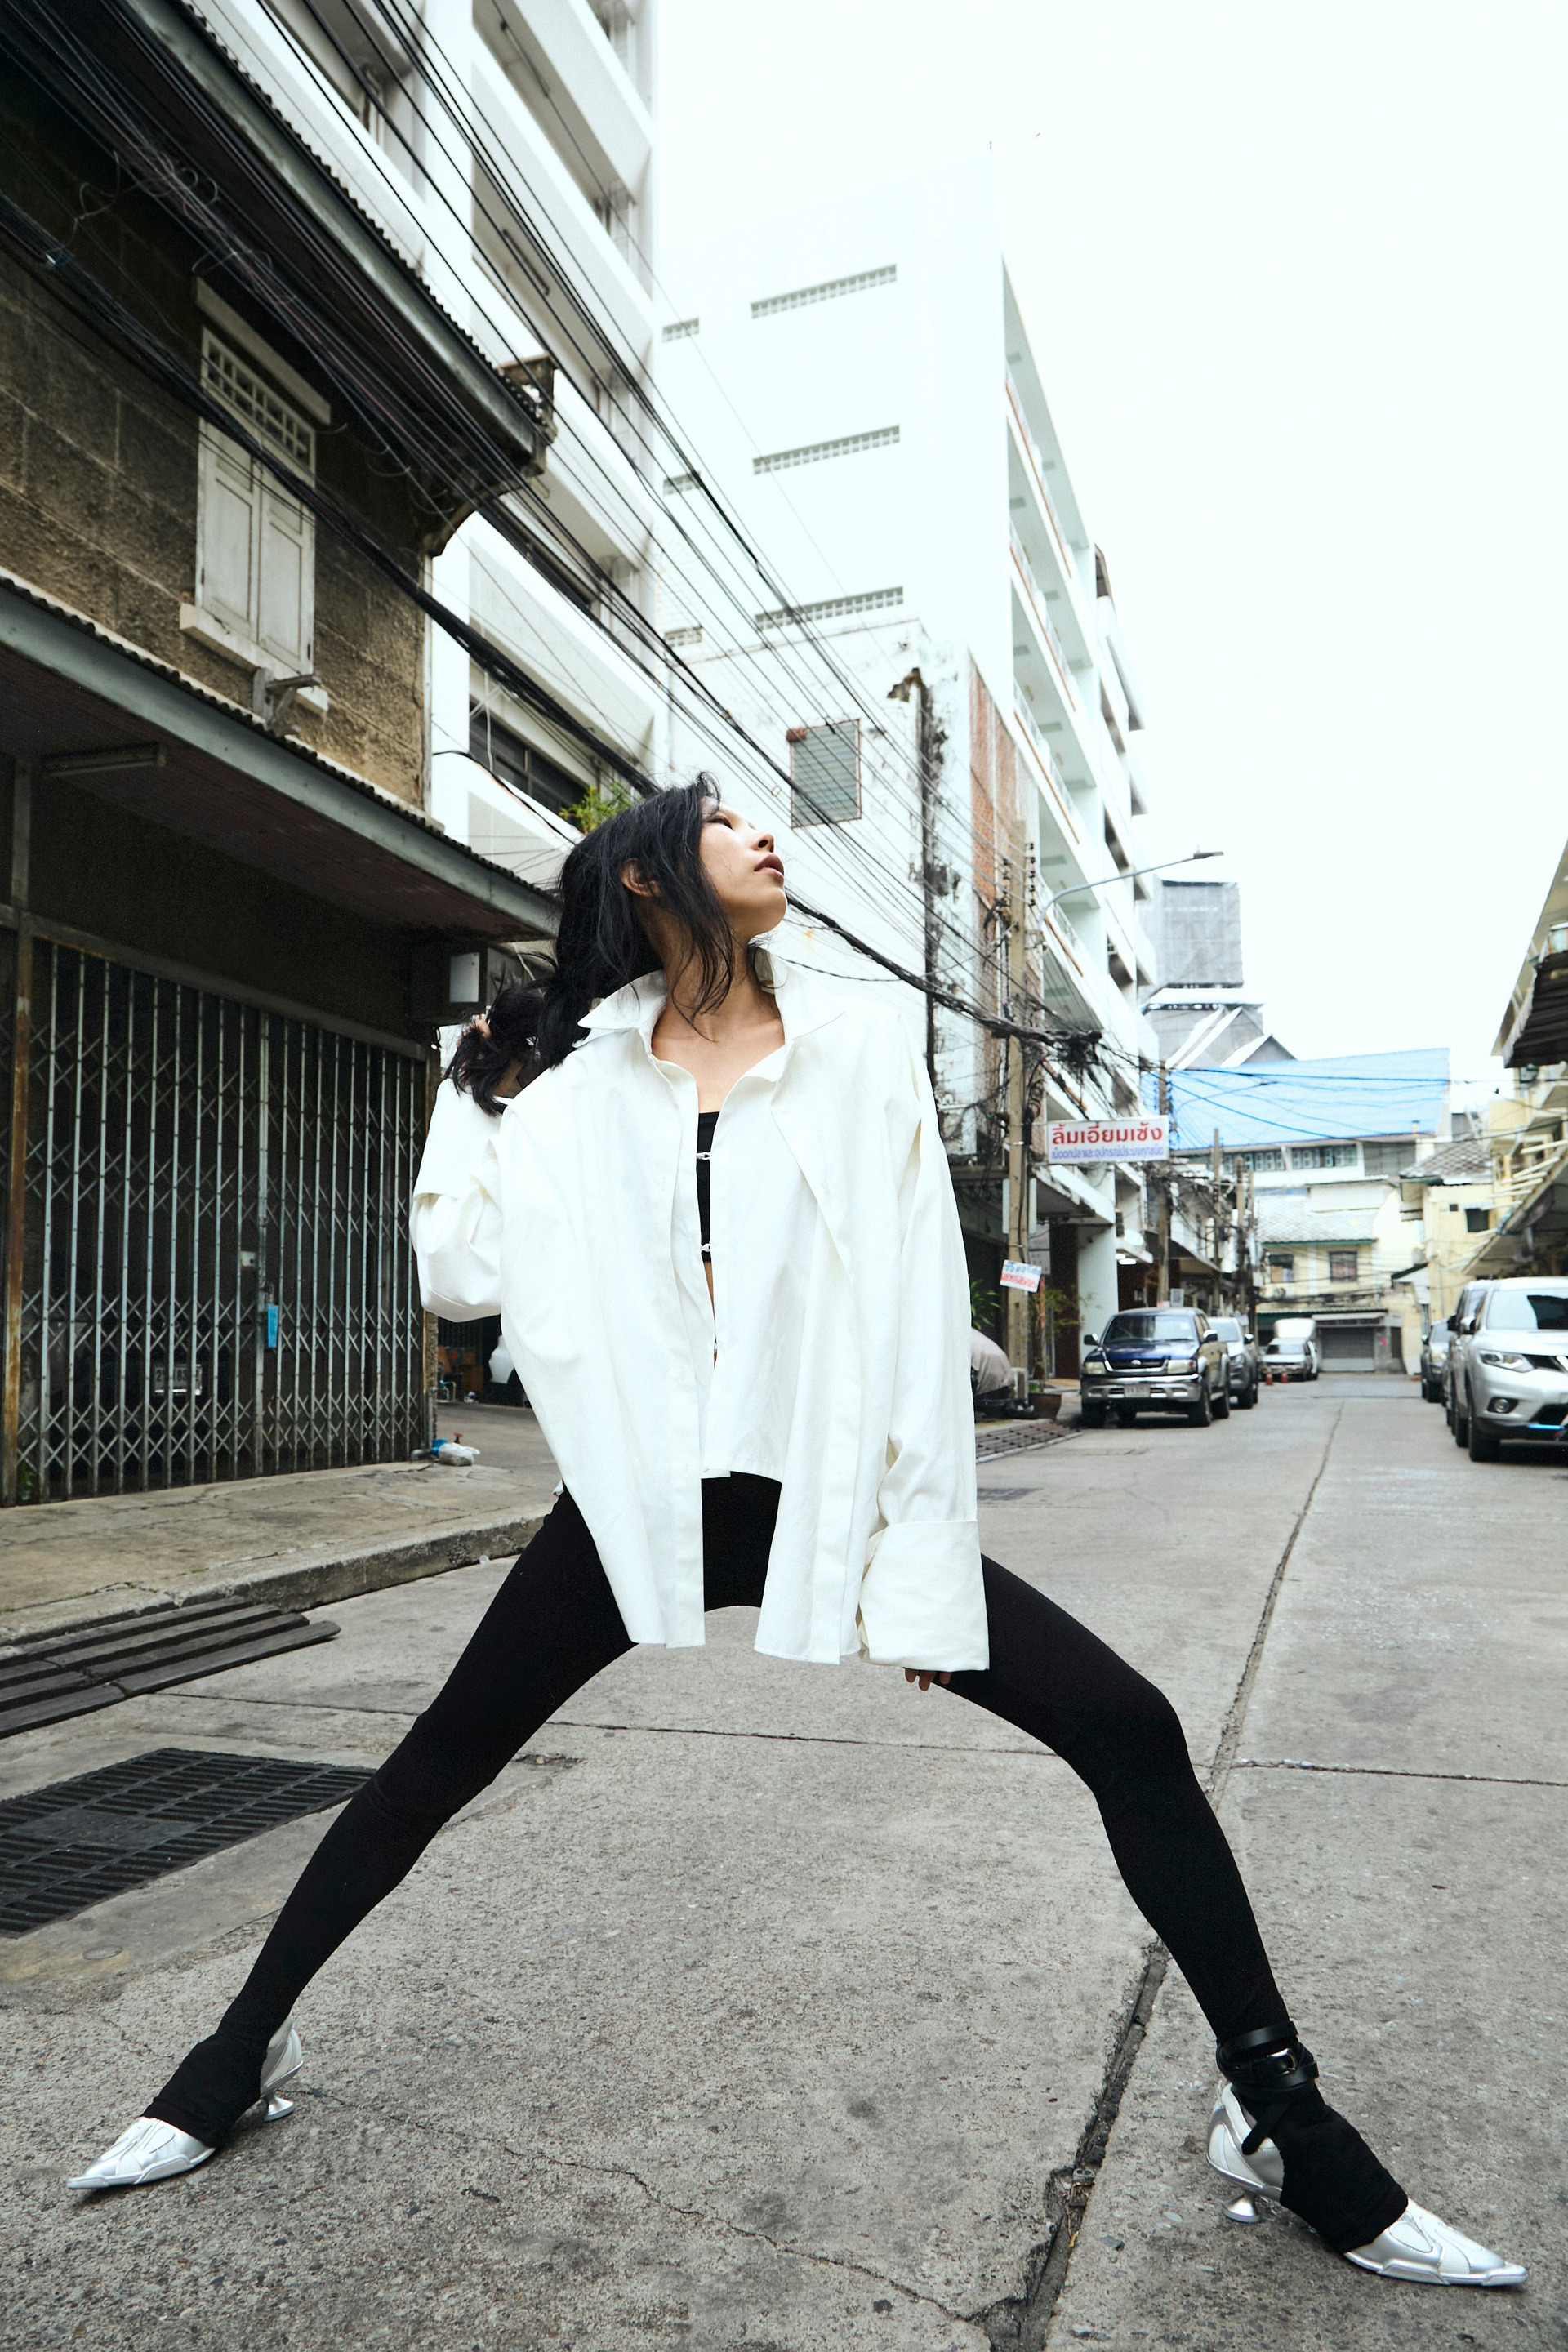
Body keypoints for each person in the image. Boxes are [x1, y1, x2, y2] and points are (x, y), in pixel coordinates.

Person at [69, 782, 1526, 2292]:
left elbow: (912, 1305)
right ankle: (235, 2054)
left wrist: (920, 1551)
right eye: (723, 823)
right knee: (433, 1766)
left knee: (1131, 1727)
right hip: (640, 1497)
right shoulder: (572, 1076)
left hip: (813, 1486)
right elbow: (461, 1277)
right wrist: (481, 1088)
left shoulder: (856, 1047)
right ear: (647, 878)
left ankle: (1276, 2108)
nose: (766, 836)